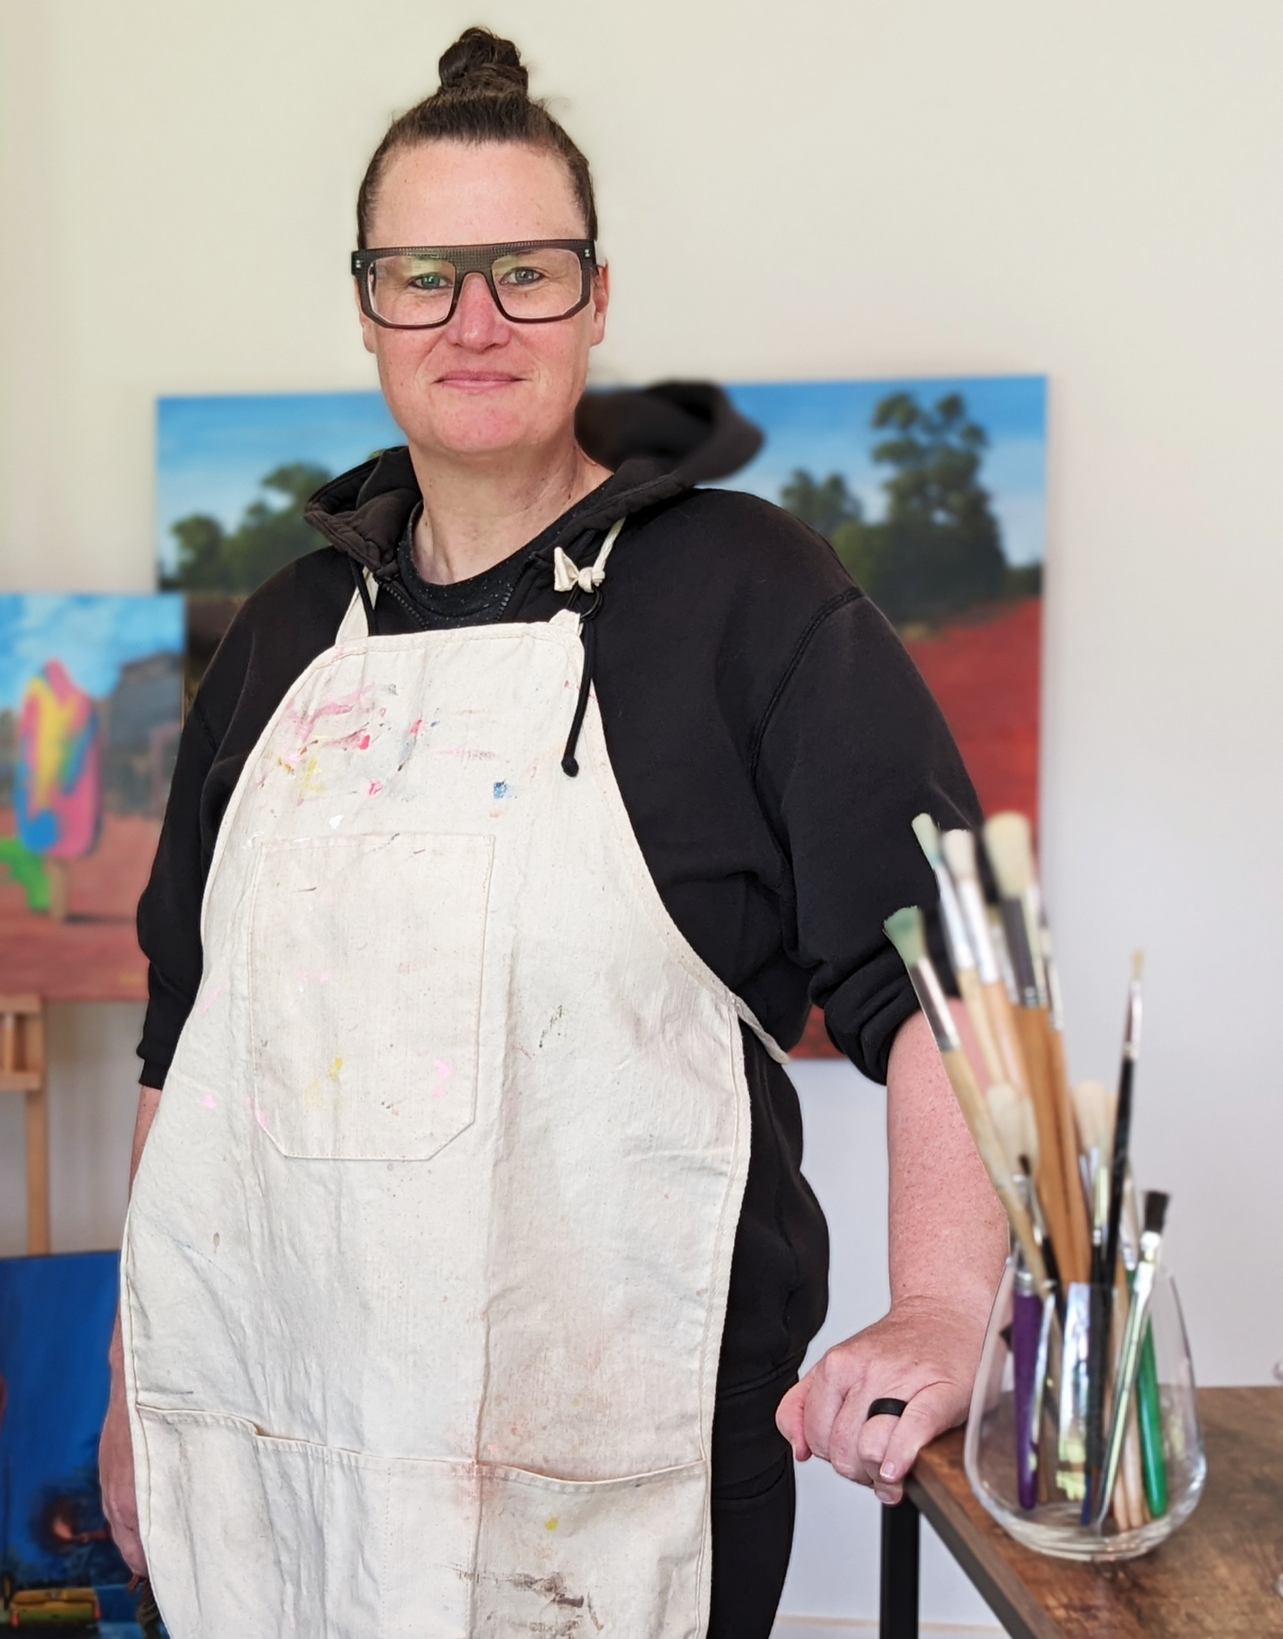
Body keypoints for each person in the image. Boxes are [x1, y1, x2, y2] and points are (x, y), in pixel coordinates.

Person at [100, 28, 1004, 1638]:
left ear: (595, 296)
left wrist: (943, 1306)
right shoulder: (285, 635)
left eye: (524, 271)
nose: (472, 319)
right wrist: (134, 1390)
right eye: (423, 273)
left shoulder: (750, 596)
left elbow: (950, 982)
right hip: (273, 1455)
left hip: (613, 1482)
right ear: (365, 301)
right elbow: (189, 1046)